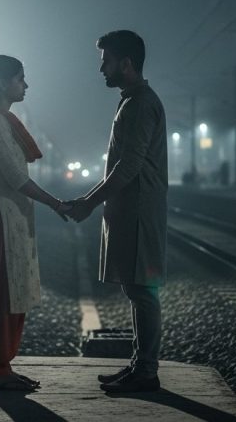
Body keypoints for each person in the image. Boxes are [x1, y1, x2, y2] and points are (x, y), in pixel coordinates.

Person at [0, 55, 71, 391]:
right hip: (2, 220)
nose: (26, 85)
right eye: (20, 79)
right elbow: (15, 176)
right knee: (4, 295)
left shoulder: (0, 120)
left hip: (11, 217)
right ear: (3, 83)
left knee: (9, 294)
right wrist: (55, 203)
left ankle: (3, 367)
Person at [67, 30, 168, 393]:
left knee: (142, 291)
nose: (101, 69)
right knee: (137, 289)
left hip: (139, 211)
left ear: (126, 63)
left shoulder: (140, 104)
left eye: (105, 61)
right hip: (132, 210)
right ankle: (140, 366)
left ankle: (146, 372)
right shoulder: (133, 100)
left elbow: (128, 166)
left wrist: (88, 203)